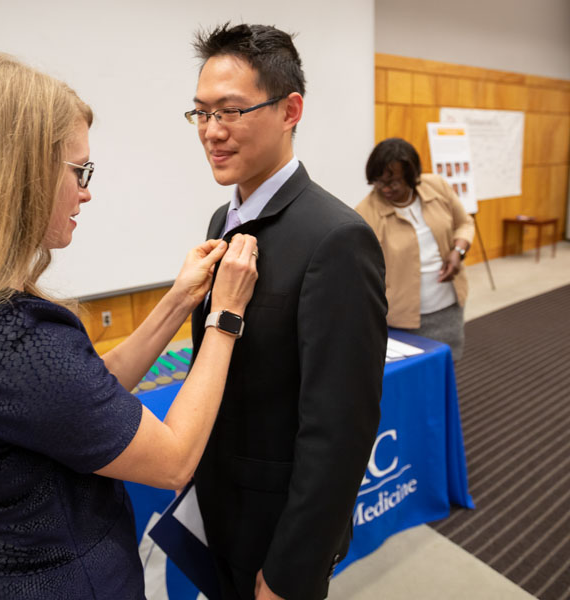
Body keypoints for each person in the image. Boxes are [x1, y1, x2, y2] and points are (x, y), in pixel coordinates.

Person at [0, 52, 258, 600]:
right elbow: (175, 459)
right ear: (19, 175)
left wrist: (179, 300)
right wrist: (225, 317)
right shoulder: (13, 339)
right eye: (79, 171)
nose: (87, 191)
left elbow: (85, 394)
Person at [185, 24, 388, 600]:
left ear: (289, 109)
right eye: (200, 113)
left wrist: (291, 570)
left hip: (276, 530)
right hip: (217, 504)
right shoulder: (218, 223)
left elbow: (341, 430)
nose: (212, 133)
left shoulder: (337, 238)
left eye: (230, 111)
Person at [355, 137, 474, 360]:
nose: (385, 189)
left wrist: (457, 251)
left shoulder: (437, 187)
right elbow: (362, 273)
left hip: (447, 306)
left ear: (412, 177)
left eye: (394, 183)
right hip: (402, 318)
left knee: (448, 364)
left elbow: (464, 223)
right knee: (413, 376)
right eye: (379, 182)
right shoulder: (365, 214)